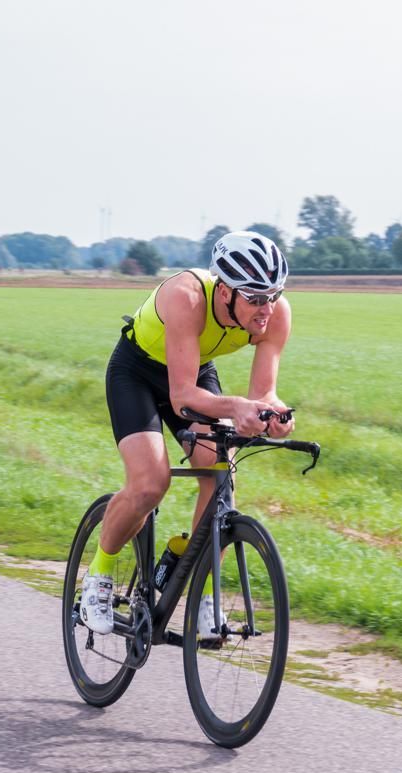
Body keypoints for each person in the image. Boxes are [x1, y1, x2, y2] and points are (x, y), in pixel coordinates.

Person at [80, 231, 294, 637]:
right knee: (150, 484)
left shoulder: (275, 315)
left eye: (274, 295)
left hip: (195, 372)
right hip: (138, 373)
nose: (267, 308)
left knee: (220, 472)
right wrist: (237, 408)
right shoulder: (186, 296)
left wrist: (274, 413)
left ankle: (206, 599)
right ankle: (98, 576)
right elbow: (181, 399)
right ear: (225, 291)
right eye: (255, 298)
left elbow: (263, 393)